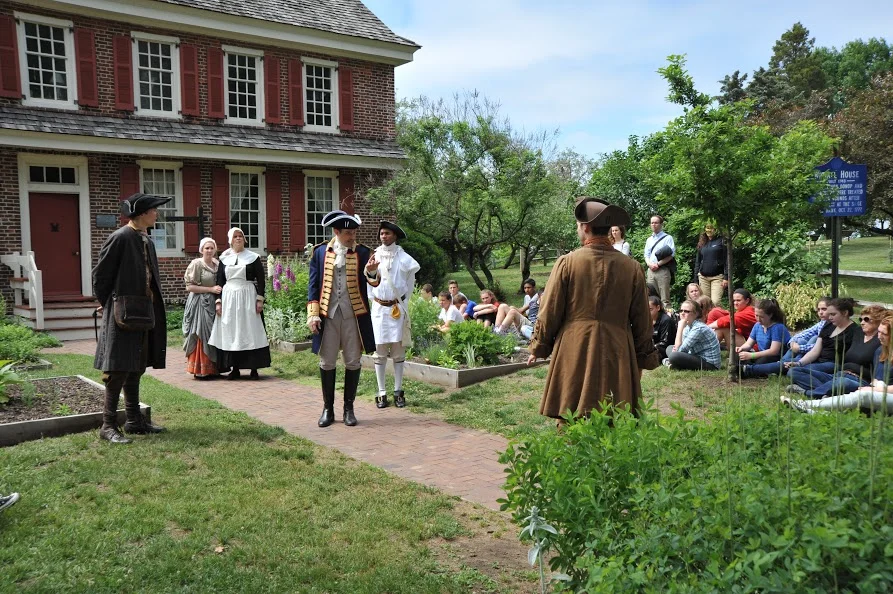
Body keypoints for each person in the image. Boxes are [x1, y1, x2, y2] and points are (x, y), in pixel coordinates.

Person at [528, 197, 659, 421]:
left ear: (585, 227)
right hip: (617, 349)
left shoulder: (567, 263)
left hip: (574, 346)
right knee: (614, 418)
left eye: (578, 226)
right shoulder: (632, 267)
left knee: (571, 417)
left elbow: (550, 311)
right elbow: (642, 320)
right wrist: (643, 357)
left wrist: (539, 346)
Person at [92, 193, 169, 444]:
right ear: (142, 213)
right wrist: (111, 304)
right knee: (117, 369)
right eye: (154, 210)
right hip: (121, 313)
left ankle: (134, 420)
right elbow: (101, 276)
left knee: (136, 365)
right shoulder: (120, 237)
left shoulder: (146, 240)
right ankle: (108, 425)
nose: (157, 214)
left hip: (143, 311)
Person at [307, 210, 377, 428]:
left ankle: (349, 408)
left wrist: (372, 272)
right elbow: (313, 286)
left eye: (354, 232)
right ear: (336, 232)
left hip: (353, 316)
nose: (352, 237)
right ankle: (328, 409)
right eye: (347, 233)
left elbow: (374, 282)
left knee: (353, 361)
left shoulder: (363, 252)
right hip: (327, 315)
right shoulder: (320, 252)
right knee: (327, 361)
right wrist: (313, 314)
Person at [783, 314, 893, 414]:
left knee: (860, 394)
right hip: (866, 386)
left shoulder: (877, 347)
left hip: (880, 391)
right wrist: (875, 386)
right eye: (879, 332)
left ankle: (807, 402)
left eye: (884, 334)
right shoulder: (881, 350)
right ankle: (817, 409)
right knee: (794, 371)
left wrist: (874, 389)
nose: (879, 336)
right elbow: (876, 378)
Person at [368, 221, 420, 409]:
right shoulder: (373, 257)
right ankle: (381, 392)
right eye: (382, 233)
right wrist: (377, 302)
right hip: (379, 310)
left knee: (398, 351)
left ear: (395, 236)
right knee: (380, 352)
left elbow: (409, 285)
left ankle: (398, 390)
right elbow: (369, 285)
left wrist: (401, 305)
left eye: (387, 233)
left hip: (397, 309)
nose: (384, 236)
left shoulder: (405, 259)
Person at [208, 228, 271, 380]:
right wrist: (218, 301)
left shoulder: (253, 257)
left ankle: (254, 368)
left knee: (250, 329)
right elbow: (219, 281)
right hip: (229, 297)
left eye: (240, 236)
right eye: (235, 236)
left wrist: (260, 299)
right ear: (230, 240)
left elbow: (261, 279)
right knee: (232, 331)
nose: (238, 239)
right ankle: (234, 368)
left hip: (248, 296)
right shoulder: (224, 259)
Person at [789, 305, 884, 398]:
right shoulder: (858, 332)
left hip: (858, 380)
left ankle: (807, 392)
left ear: (879, 321)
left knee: (843, 382)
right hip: (838, 374)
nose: (862, 322)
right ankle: (827, 392)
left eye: (866, 319)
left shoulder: (881, 341)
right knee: (794, 371)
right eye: (861, 319)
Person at [785, 297, 860, 394]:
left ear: (845, 313)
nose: (830, 317)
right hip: (819, 360)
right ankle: (828, 389)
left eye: (833, 314)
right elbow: (815, 350)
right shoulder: (828, 325)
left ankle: (810, 391)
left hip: (834, 364)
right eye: (829, 314)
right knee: (793, 371)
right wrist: (799, 363)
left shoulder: (854, 331)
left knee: (806, 371)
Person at [183, 237, 222, 380]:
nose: (209, 250)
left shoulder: (217, 264)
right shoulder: (196, 264)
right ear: (201, 250)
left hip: (213, 302)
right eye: (207, 248)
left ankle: (213, 369)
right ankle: (200, 369)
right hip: (199, 303)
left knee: (213, 333)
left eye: (212, 248)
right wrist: (210, 289)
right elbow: (190, 287)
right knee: (201, 332)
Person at [736, 299, 792, 379]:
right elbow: (749, 344)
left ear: (770, 315)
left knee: (761, 362)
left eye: (761, 317)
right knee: (740, 357)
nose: (758, 319)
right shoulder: (757, 326)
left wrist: (751, 355)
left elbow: (774, 351)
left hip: (776, 357)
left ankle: (752, 370)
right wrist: (741, 348)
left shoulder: (778, 328)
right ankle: (746, 368)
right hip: (761, 355)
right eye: (756, 315)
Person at [667, 299, 722, 371]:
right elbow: (679, 347)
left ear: (696, 314)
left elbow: (680, 350)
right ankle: (675, 364)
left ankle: (672, 363)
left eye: (686, 311)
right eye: (681, 311)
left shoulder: (699, 328)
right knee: (669, 348)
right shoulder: (688, 326)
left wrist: (680, 328)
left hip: (710, 364)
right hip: (696, 356)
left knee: (674, 356)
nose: (682, 313)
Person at [643, 214, 675, 310]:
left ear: (661, 224)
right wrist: (649, 264)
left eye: (656, 223)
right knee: (651, 296)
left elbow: (671, 254)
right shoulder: (649, 239)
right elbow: (646, 255)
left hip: (663, 269)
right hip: (651, 270)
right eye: (652, 223)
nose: (654, 225)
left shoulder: (668, 238)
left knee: (665, 298)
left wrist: (658, 264)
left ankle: (667, 316)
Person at [783, 297, 830, 364]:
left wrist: (800, 348)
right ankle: (785, 361)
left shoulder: (833, 325)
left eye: (824, 309)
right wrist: (793, 343)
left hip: (820, 357)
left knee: (815, 338)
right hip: (807, 354)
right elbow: (804, 333)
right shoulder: (822, 323)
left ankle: (786, 363)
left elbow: (821, 347)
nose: (820, 312)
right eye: (818, 310)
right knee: (800, 340)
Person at [694, 223, 727, 304]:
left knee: (715, 302)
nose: (709, 230)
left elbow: (727, 260)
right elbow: (698, 261)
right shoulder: (702, 243)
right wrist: (695, 279)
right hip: (703, 277)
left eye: (711, 228)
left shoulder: (722, 241)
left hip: (717, 277)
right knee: (705, 303)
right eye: (707, 228)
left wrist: (726, 277)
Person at [649, 296, 676, 360]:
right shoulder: (646, 320)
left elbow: (665, 342)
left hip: (666, 349)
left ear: (658, 308)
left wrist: (649, 347)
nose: (647, 312)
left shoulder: (666, 320)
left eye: (650, 309)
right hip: (652, 347)